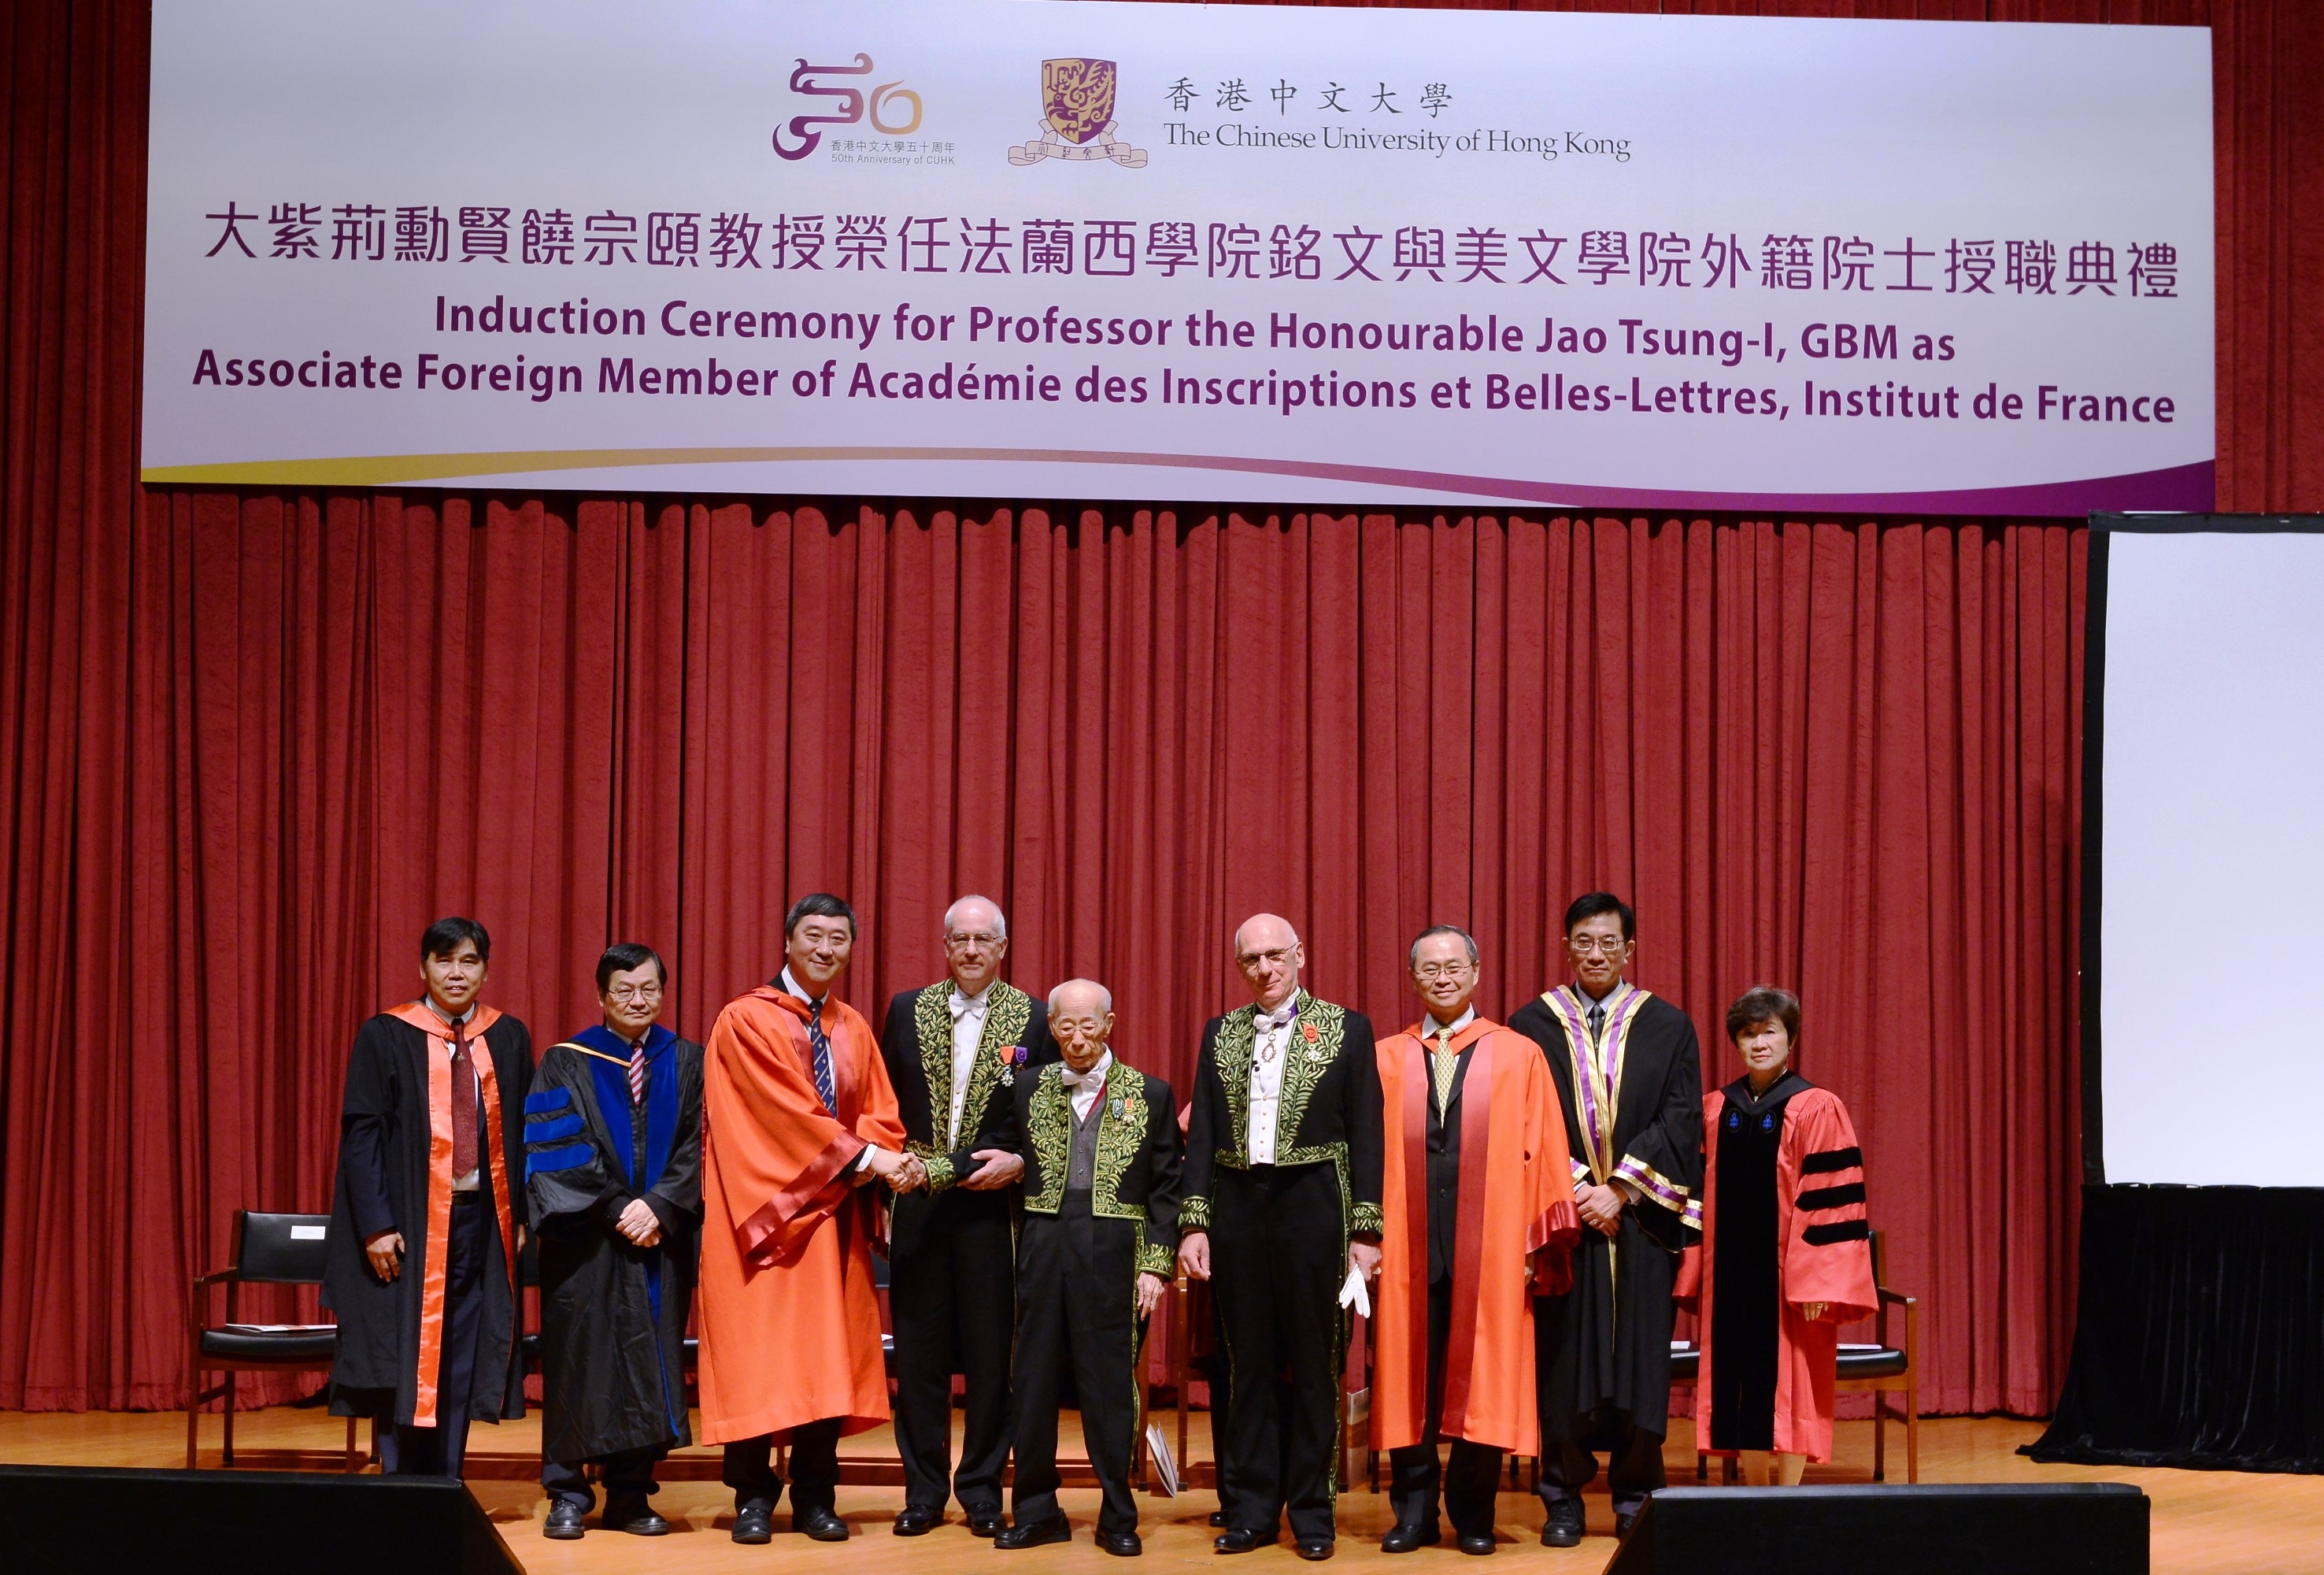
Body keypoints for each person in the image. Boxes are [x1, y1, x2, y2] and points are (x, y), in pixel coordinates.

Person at [696, 893, 922, 1544]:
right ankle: (752, 1498)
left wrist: (873, 1156)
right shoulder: (745, 1020)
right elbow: (776, 1116)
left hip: (832, 1221)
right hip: (762, 1217)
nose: (827, 949)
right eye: (815, 936)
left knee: (825, 1359)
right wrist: (868, 1158)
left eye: (840, 939)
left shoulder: (852, 1026)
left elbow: (880, 1110)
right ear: (788, 942)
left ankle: (818, 1496)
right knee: (758, 1358)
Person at [1179, 914, 1384, 1561]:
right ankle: (1252, 1510)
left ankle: (1315, 1513)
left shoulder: (1349, 1029)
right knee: (1247, 1366)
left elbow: (1367, 1133)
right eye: (1251, 960)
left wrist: (1366, 1230)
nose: (1264, 969)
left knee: (1318, 1363)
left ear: (1300, 954)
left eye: (1275, 955)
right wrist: (1194, 1221)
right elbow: (1204, 1132)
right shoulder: (1219, 1034)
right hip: (1238, 1207)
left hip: (1315, 1204)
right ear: (1238, 966)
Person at [1373, 927, 1582, 1556]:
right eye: (1429, 968)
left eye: (1453, 965)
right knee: (1408, 1379)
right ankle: (1413, 1513)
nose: (1442, 976)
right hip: (1406, 1245)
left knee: (1484, 1378)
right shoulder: (1385, 1057)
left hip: (1488, 1250)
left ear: (1476, 971)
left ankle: (1472, 1513)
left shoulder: (1518, 1054)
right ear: (1412, 978)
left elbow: (1545, 1150)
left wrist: (1530, 1244)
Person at [1507, 893, 1703, 1545]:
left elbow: (1680, 1119)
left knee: (1641, 1358)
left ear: (1630, 949)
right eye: (1584, 942)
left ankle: (1635, 1492)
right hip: (1565, 1223)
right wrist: (1577, 1187)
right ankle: (1562, 1498)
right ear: (1567, 947)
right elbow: (1521, 1121)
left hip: (1640, 1223)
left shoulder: (1669, 1026)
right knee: (1562, 1359)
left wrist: (1620, 1188)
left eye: (1609, 942)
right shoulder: (1530, 1025)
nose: (1596, 953)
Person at [322, 916, 531, 1477]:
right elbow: (361, 1134)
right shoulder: (386, 1034)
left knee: (463, 1349)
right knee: (404, 1348)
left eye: (468, 961)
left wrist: (524, 1215)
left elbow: (525, 1130)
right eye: (444, 960)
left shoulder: (507, 1037)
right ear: (423, 968)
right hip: (408, 1226)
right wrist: (375, 1225)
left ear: (485, 970)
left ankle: (447, 1475)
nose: (456, 972)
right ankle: (400, 1478)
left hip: (480, 1224)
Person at [879, 895, 1055, 1537]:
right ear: (946, 946)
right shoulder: (906, 1009)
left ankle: (982, 1488)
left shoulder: (1035, 1019)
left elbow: (1047, 1119)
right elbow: (882, 1102)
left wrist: (1021, 1163)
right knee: (920, 1360)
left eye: (985, 940)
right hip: (919, 1205)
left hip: (994, 1211)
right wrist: (888, 1184)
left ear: (1003, 948)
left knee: (991, 1360)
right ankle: (923, 1491)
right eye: (962, 940)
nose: (973, 951)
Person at [997, 979, 1181, 1558]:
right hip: (1043, 1239)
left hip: (1115, 1244)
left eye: (1088, 1025)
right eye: (1065, 1026)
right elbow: (1001, 1157)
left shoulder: (1149, 1093)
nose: (1077, 1039)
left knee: (1108, 1384)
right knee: (1031, 1380)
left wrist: (1155, 1266)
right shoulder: (1026, 1087)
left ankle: (1117, 1513)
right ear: (1051, 1027)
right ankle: (1035, 1510)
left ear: (1109, 1023)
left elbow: (1166, 1190)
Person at [529, 943, 705, 1539]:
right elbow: (557, 1151)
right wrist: (614, 1205)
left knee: (648, 1360)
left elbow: (700, 1147)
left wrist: (657, 1206)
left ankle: (630, 1496)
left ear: (663, 991)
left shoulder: (685, 1060)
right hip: (585, 1243)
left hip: (660, 1237)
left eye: (649, 989)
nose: (638, 1000)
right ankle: (568, 1493)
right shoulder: (564, 1061)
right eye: (625, 990)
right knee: (580, 1361)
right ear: (602, 995)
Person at [1677, 987, 1876, 1488]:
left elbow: (1830, 1199)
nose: (1759, 1042)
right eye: (1748, 1033)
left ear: (1790, 1039)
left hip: (1790, 1282)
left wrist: (1816, 1284)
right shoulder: (1715, 1109)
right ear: (1736, 1043)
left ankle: (1787, 1494)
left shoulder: (1816, 1107)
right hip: (1729, 1279)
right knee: (1739, 1383)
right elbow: (1695, 1195)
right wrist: (1695, 1271)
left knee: (1793, 1384)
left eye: (1770, 1032)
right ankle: (1754, 1491)